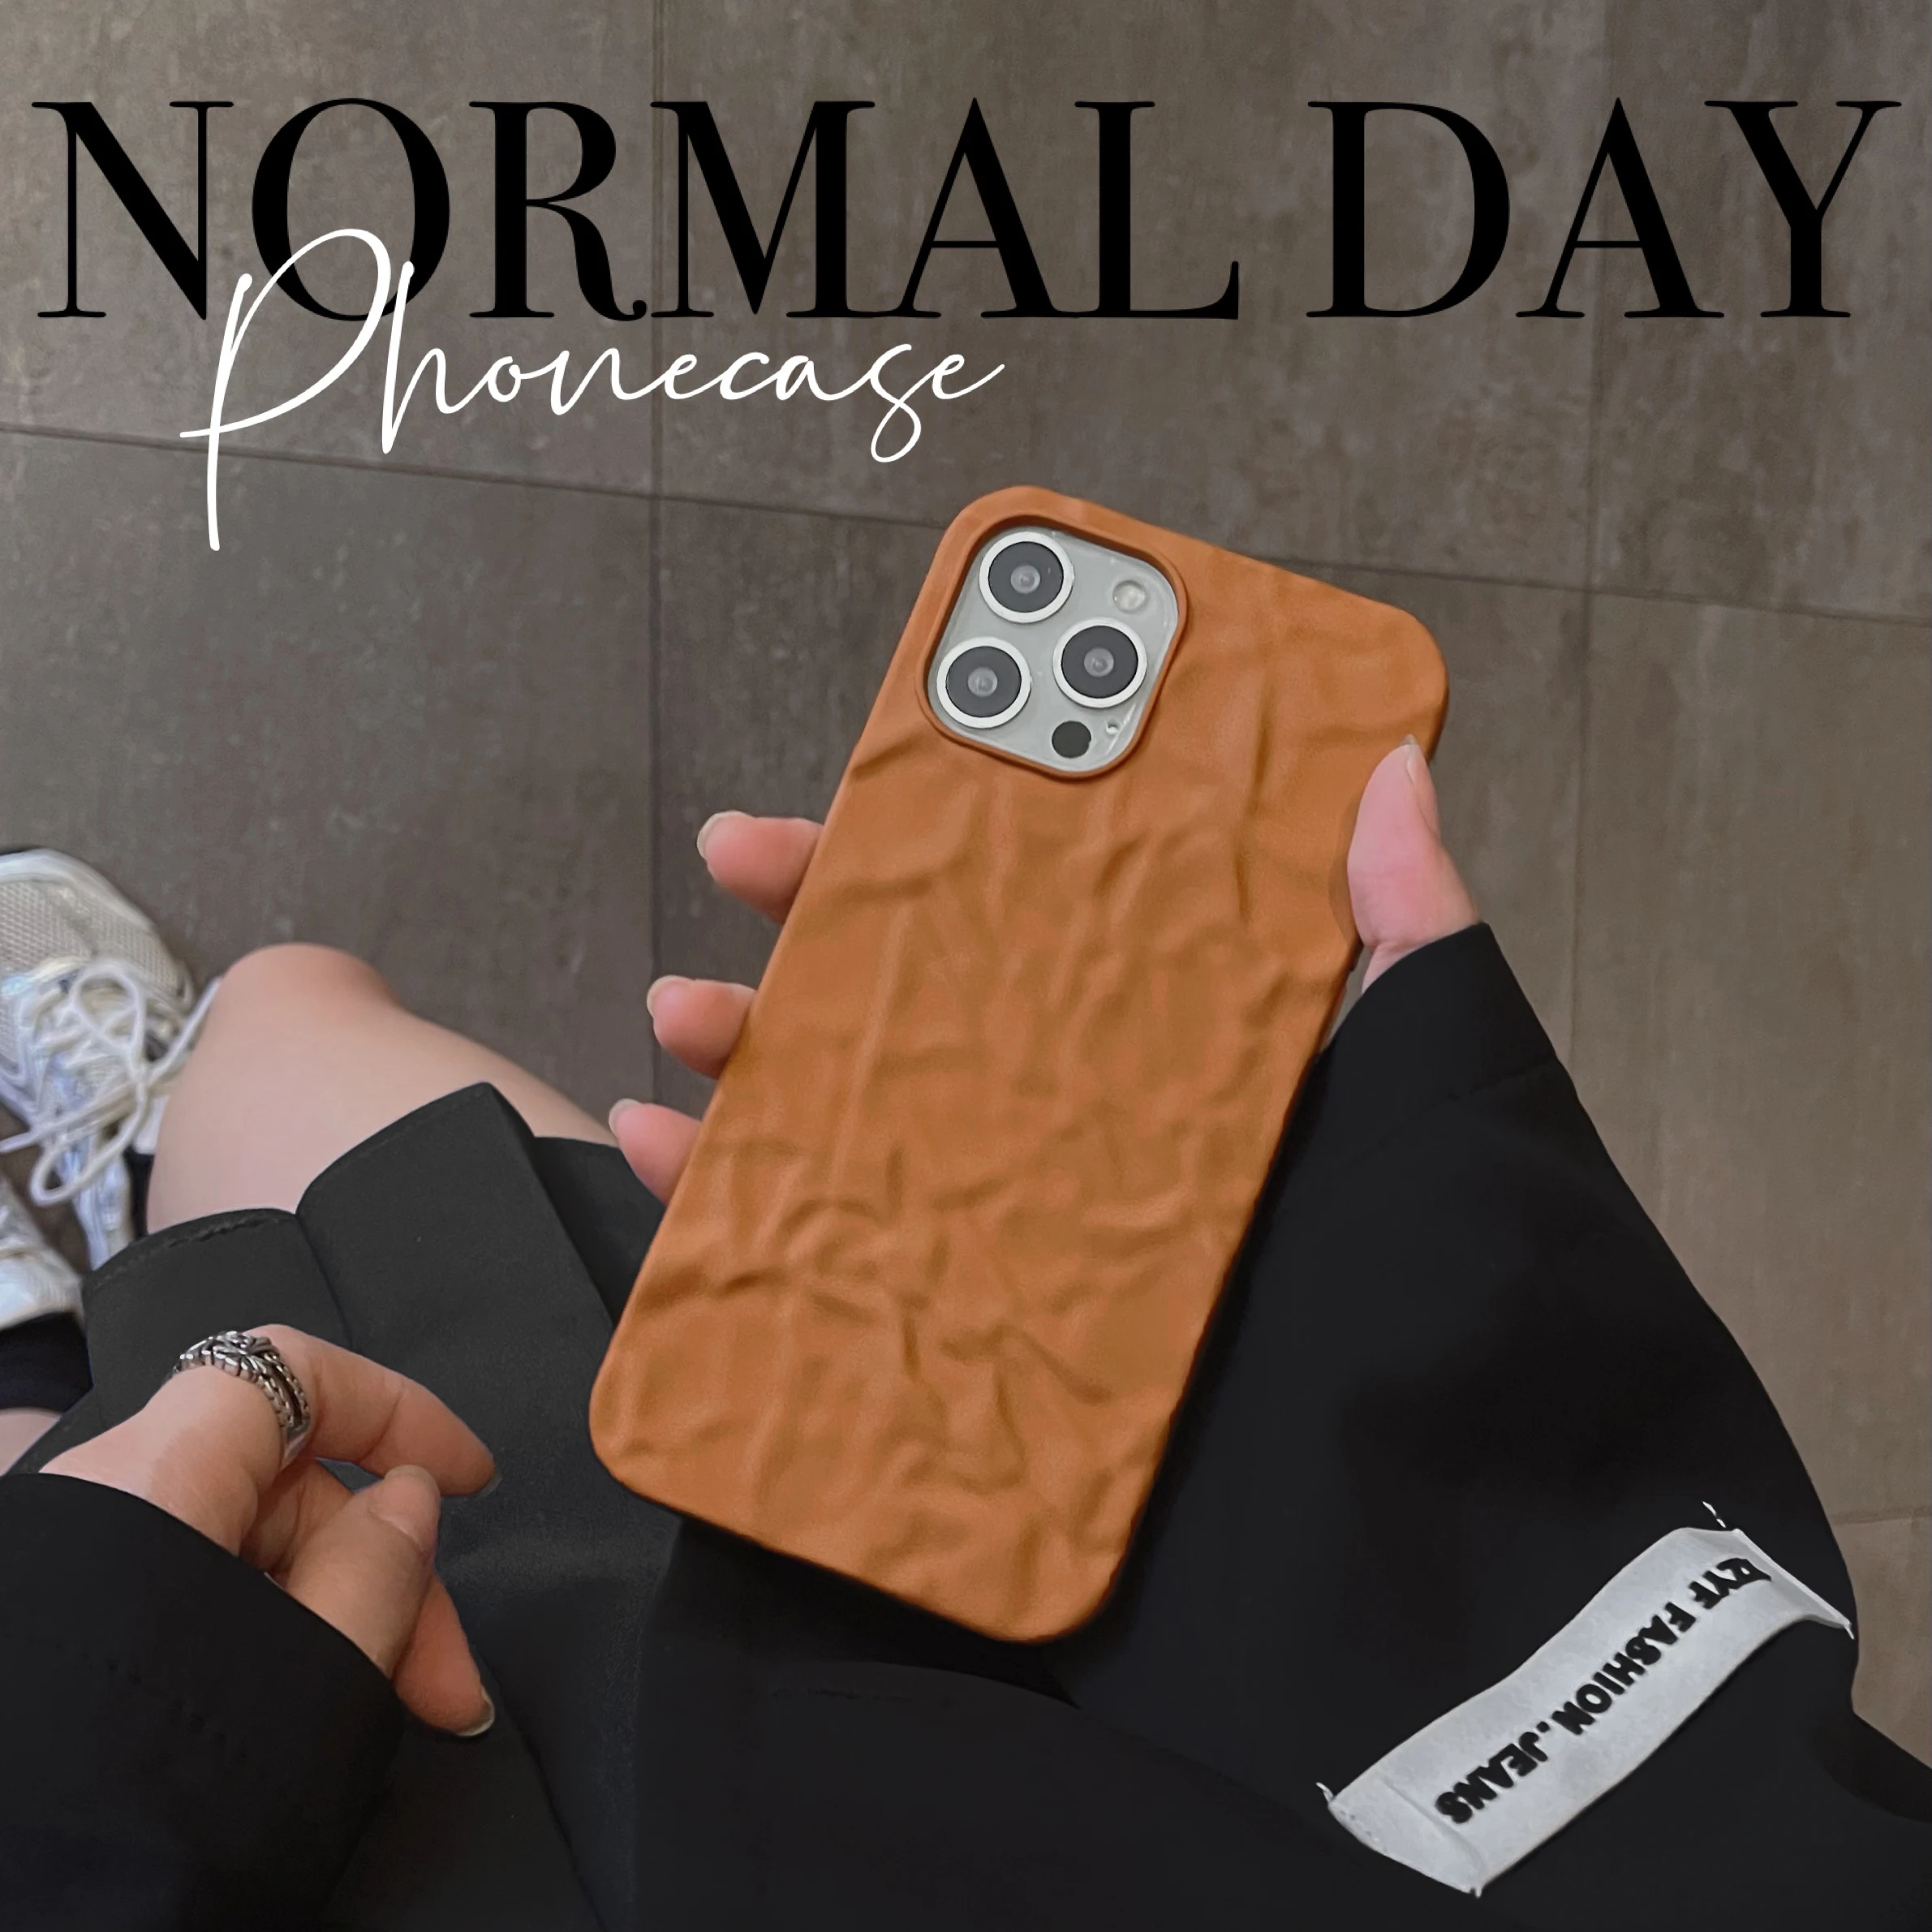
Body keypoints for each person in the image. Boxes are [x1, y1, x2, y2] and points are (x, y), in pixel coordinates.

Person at [1, 745, 1927, 1931]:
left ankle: (51, 1333)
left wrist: (85, 1748)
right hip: (929, 1747)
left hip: (508, 1804)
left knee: (245, 1176)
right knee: (292, 1040)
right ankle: (124, 1213)